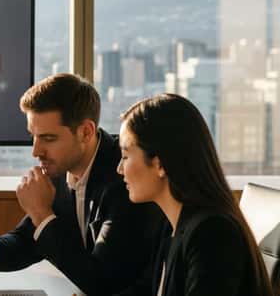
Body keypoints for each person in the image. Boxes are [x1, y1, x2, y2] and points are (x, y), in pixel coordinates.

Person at [0, 73, 162, 295]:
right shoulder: (59, 169)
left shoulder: (126, 178)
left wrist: (42, 213)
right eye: (33, 136)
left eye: (48, 138)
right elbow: (29, 239)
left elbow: (101, 282)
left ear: (86, 132)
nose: (36, 151)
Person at [117, 93, 274, 296]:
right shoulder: (172, 226)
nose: (120, 168)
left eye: (125, 156)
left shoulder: (211, 233)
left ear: (160, 164)